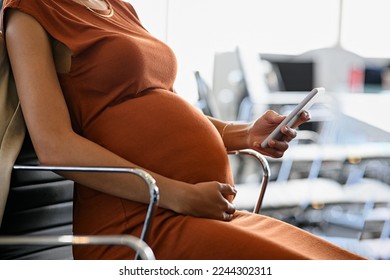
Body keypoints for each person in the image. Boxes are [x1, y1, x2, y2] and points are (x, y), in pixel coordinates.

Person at [1, 0, 364, 260]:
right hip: (139, 225)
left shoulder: (119, 7)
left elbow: (166, 109)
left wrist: (246, 134)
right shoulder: (31, 13)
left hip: (200, 211)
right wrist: (176, 194)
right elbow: (54, 145)